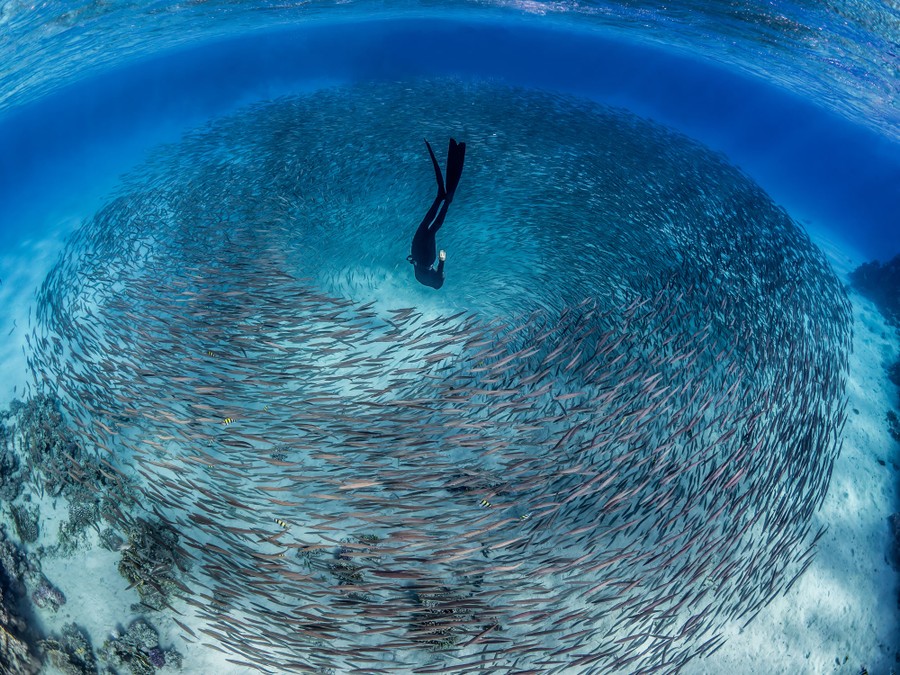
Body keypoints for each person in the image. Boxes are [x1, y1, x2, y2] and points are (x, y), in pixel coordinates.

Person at [407, 138, 466, 289]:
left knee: (434, 229)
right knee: (427, 224)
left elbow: (440, 265)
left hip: (427, 258)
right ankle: (440, 197)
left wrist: (442, 258)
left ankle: (446, 201)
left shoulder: (436, 280)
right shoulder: (420, 279)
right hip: (416, 251)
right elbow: (422, 269)